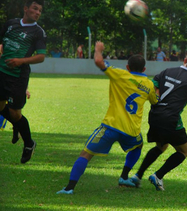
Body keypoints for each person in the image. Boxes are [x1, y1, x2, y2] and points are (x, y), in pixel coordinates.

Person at [57, 41, 158, 195]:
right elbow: (155, 100)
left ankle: (69, 188)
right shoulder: (149, 84)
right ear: (144, 69)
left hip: (110, 127)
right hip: (131, 130)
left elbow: (99, 61)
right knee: (138, 145)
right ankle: (124, 176)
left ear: (127, 67)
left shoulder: (120, 74)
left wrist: (98, 49)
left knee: (85, 154)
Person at [130, 50, 187, 191]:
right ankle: (158, 175)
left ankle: (137, 176)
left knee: (161, 146)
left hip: (155, 114)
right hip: (170, 118)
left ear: (184, 60)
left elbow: (152, 86)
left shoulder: (167, 70)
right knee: (184, 151)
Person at [0, 0, 46, 163]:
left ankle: (29, 143)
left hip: (18, 77)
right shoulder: (10, 24)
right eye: (35, 8)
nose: (37, 13)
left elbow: (41, 57)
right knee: (1, 107)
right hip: (1, 71)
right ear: (25, 8)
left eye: (40, 10)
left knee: (14, 112)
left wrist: (20, 61)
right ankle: (16, 125)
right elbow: (1, 43)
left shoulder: (38, 32)